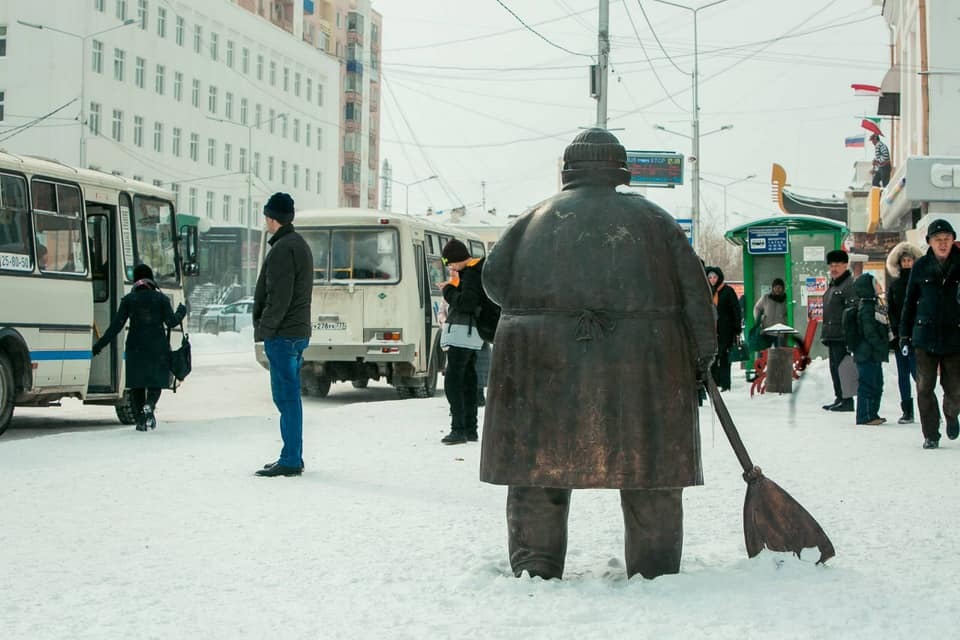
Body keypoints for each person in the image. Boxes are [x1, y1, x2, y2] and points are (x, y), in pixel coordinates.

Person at [479, 128, 717, 580]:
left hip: (541, 364)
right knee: (651, 476)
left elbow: (494, 281)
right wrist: (704, 354)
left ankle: (536, 565)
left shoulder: (534, 218)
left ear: (568, 170)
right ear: (621, 169)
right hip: (644, 363)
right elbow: (695, 292)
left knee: (537, 473)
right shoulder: (655, 220)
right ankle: (654, 569)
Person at [253, 193, 314, 476]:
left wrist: (265, 330)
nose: (265, 221)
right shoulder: (298, 245)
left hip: (283, 334)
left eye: (267, 216)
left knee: (287, 398)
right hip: (296, 331)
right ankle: (292, 455)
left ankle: (290, 459)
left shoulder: (282, 249)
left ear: (272, 218)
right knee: (289, 397)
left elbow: (279, 297)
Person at [92, 264, 187, 431]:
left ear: (136, 280)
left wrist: (99, 345)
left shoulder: (129, 300)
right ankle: (149, 405)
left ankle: (141, 420)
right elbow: (171, 322)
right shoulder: (161, 299)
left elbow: (116, 326)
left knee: (137, 385)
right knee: (155, 383)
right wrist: (181, 312)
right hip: (158, 348)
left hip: (136, 348)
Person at [899, 219, 960, 449]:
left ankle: (952, 414)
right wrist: (904, 335)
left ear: (953, 240)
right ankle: (931, 434)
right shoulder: (920, 267)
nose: (943, 244)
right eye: (938, 240)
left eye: (947, 239)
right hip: (925, 336)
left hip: (955, 336)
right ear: (929, 242)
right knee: (924, 388)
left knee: (955, 389)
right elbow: (909, 303)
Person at [437, 239, 485, 445]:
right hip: (469, 333)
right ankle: (470, 429)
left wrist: (448, 289)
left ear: (457, 260)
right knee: (468, 378)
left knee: (453, 379)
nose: (450, 268)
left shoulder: (471, 274)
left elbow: (466, 303)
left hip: (462, 332)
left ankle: (458, 429)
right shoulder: (474, 272)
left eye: (450, 263)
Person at [886, 242, 924, 423]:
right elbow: (891, 311)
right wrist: (895, 333)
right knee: (903, 375)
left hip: (918, 335)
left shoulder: (922, 284)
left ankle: (929, 409)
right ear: (899, 263)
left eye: (910, 260)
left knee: (919, 374)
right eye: (904, 261)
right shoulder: (894, 286)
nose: (907, 264)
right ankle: (907, 411)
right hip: (901, 336)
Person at [850, 273, 889, 426]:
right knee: (868, 384)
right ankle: (865, 416)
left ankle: (872, 413)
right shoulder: (866, 307)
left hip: (871, 353)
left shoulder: (873, 304)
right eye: (876, 283)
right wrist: (880, 344)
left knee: (876, 383)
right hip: (867, 353)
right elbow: (870, 331)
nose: (879, 285)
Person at [821, 249, 857, 412]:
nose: (834, 268)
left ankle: (847, 400)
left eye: (837, 265)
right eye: (831, 265)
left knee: (843, 367)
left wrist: (849, 334)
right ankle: (840, 397)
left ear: (845, 265)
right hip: (832, 333)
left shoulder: (848, 284)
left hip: (842, 335)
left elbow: (852, 311)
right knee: (834, 367)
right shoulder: (834, 284)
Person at [705, 266, 741, 391]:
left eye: (715, 277)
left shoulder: (727, 291)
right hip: (710, 331)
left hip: (726, 330)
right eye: (709, 277)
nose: (712, 280)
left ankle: (726, 384)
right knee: (712, 358)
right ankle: (715, 382)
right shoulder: (706, 292)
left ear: (719, 277)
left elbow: (736, 310)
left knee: (724, 356)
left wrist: (737, 328)